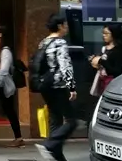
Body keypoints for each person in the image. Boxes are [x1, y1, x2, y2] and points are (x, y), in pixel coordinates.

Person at [36, 14, 77, 161]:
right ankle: (50, 145)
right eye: (65, 25)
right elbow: (65, 66)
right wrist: (72, 87)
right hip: (57, 85)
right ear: (60, 26)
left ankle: (56, 155)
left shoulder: (44, 42)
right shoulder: (60, 43)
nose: (67, 28)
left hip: (45, 85)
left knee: (55, 119)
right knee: (72, 121)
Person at [89, 23, 122, 96]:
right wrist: (94, 60)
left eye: (106, 33)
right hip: (101, 80)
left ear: (114, 34)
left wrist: (101, 61)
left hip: (111, 82)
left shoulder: (118, 50)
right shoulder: (105, 48)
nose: (103, 35)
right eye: (103, 33)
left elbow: (117, 71)